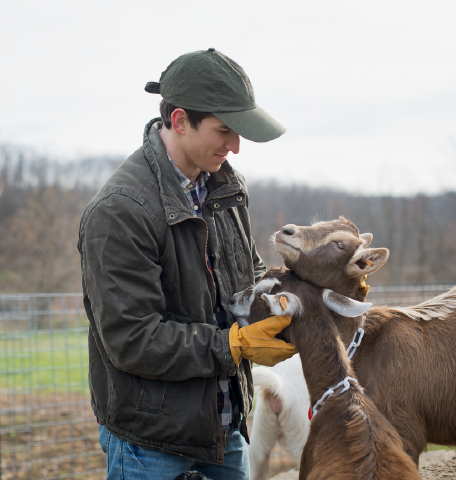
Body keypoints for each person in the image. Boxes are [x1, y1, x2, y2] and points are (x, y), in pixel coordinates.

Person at [77, 48, 298, 480]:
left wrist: (313, 289)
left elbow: (248, 279)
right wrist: (232, 346)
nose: (235, 147)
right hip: (150, 442)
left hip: (222, 427)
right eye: (224, 131)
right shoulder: (121, 210)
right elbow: (133, 337)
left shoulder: (225, 187)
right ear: (180, 121)